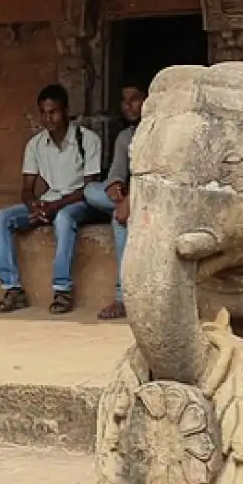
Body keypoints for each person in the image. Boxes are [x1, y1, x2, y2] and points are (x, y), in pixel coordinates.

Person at [0, 84, 102, 315]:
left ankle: (62, 289)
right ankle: (13, 289)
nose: (48, 118)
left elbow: (90, 187)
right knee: (1, 218)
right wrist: (34, 206)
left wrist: (54, 206)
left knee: (63, 218)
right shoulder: (36, 144)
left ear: (66, 111)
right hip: (49, 202)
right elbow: (27, 188)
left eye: (53, 112)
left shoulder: (88, 140)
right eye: (43, 112)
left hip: (79, 203)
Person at [83, 81, 147, 320]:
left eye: (135, 99)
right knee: (91, 190)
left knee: (119, 221)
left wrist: (132, 199)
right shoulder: (125, 137)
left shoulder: (162, 132)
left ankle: (123, 298)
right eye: (124, 100)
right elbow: (116, 174)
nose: (128, 105)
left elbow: (162, 179)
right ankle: (127, 209)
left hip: (157, 201)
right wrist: (114, 189)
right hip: (131, 202)